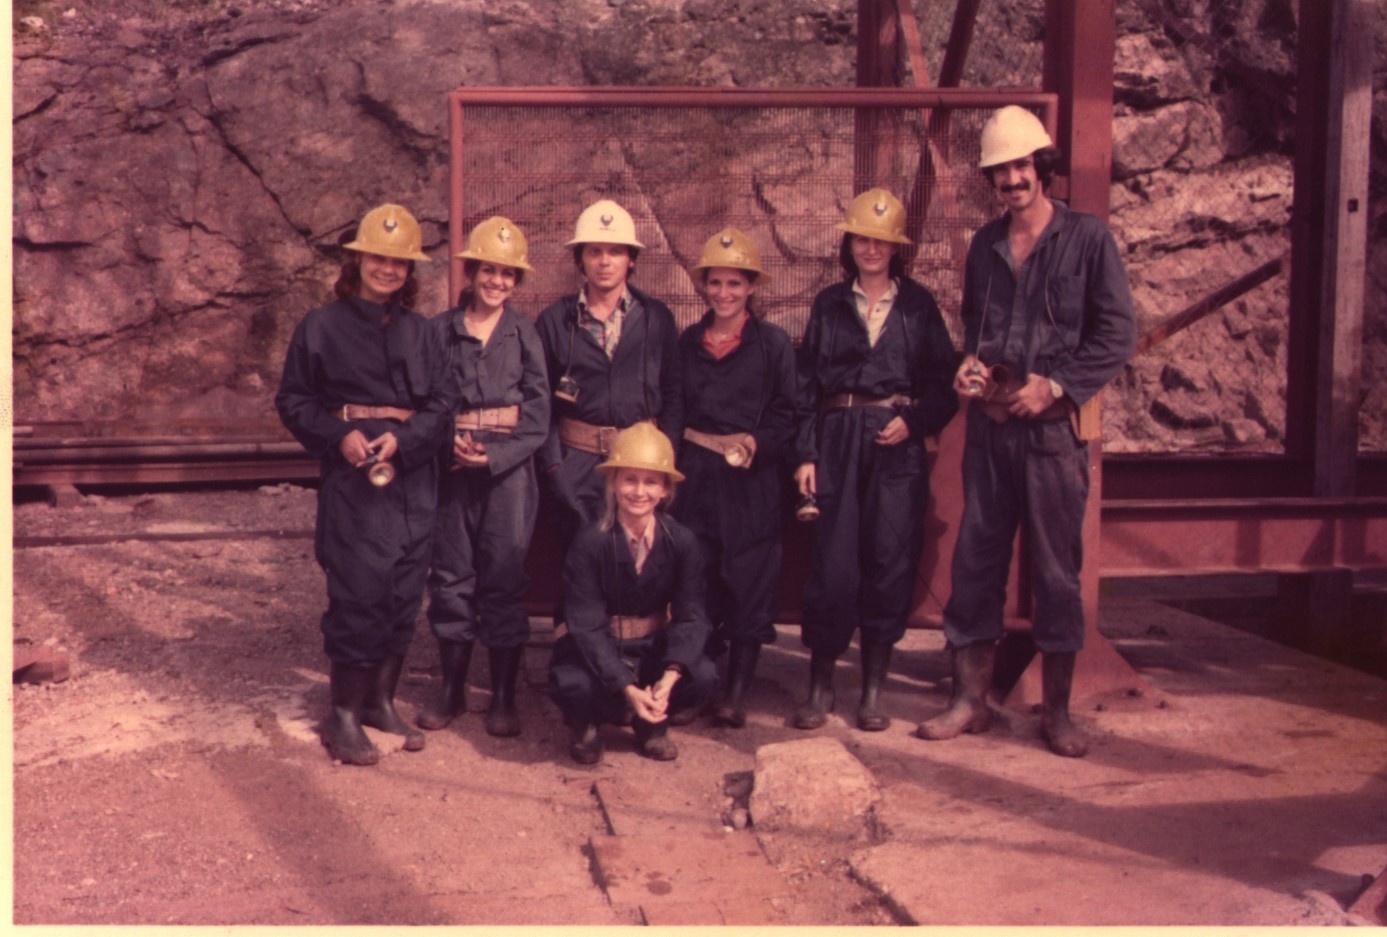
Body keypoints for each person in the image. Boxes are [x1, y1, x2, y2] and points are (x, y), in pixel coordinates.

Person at [916, 105, 1137, 758]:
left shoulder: (1088, 240)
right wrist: (968, 368)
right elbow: (975, 331)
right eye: (999, 169)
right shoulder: (985, 245)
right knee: (973, 560)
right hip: (988, 434)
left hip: (1050, 437)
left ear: (1041, 166)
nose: (1011, 179)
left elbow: (1115, 334)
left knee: (1055, 570)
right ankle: (967, 701)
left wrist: (1058, 384)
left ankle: (1056, 712)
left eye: (1020, 165)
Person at [276, 203, 452, 766]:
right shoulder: (320, 326)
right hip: (355, 483)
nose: (388, 270)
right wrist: (337, 435)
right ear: (357, 261)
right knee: (359, 595)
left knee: (403, 592)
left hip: (411, 477)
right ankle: (343, 715)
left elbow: (442, 405)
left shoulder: (423, 333)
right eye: (379, 257)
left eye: (400, 263)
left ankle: (379, 701)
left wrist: (408, 439)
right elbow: (295, 401)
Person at [792, 188, 959, 732]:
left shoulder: (918, 307)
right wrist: (807, 452)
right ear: (850, 242)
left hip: (895, 445)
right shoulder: (828, 304)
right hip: (838, 436)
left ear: (896, 248)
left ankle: (872, 692)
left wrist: (913, 421)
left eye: (882, 241)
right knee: (833, 567)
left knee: (889, 563)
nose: (871, 249)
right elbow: (805, 386)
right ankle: (820, 690)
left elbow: (944, 387)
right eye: (863, 238)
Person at [419, 217, 549, 738]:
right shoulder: (438, 331)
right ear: (470, 273)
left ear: (516, 282)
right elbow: (421, 401)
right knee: (451, 578)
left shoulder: (525, 334)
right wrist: (443, 440)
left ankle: (502, 696)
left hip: (507, 474)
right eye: (488, 271)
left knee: (503, 577)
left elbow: (539, 415)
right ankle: (450, 689)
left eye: (508, 274)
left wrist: (495, 459)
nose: (497, 282)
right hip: (451, 469)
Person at [673, 228, 796, 728]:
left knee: (749, 581)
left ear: (751, 288)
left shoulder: (773, 345)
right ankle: (699, 684)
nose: (724, 293)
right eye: (715, 283)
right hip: (696, 477)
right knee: (695, 579)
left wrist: (757, 444)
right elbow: (675, 405)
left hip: (751, 482)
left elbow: (791, 413)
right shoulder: (688, 341)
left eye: (734, 284)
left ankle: (737, 692)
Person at [547, 422, 718, 763]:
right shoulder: (590, 542)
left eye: (651, 481)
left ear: (666, 490)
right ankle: (586, 723)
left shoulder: (682, 542)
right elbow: (587, 626)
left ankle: (651, 723)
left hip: (651, 646)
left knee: (703, 676)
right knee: (574, 684)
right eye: (629, 479)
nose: (639, 492)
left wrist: (670, 677)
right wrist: (626, 686)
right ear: (612, 483)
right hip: (600, 646)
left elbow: (692, 616)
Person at [534, 199, 683, 574]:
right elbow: (540, 401)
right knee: (578, 555)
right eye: (594, 251)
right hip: (577, 460)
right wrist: (555, 466)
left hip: (640, 463)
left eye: (615, 251)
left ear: (631, 259)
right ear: (580, 258)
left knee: (638, 558)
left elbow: (675, 395)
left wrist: (665, 459)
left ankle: (635, 634)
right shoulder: (555, 321)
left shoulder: (656, 319)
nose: (604, 261)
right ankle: (577, 631)